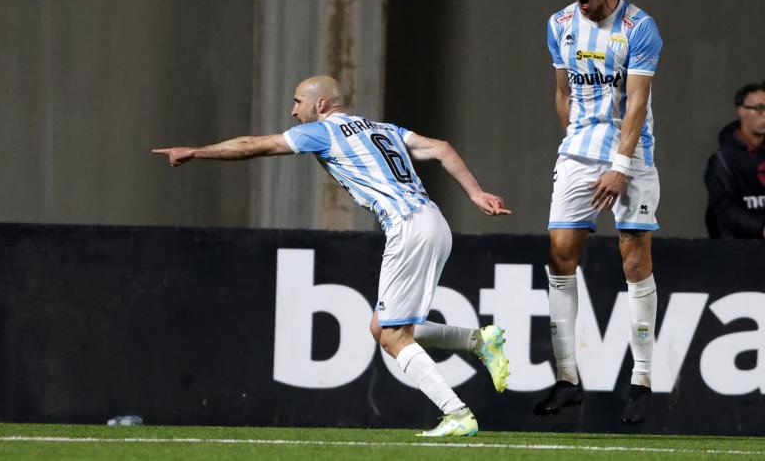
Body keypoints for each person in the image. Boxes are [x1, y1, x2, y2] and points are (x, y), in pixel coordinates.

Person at [152, 75, 511, 436]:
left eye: (297, 103)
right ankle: (477, 341)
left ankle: (457, 413)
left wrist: (197, 152)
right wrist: (475, 193)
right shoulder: (382, 129)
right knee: (383, 327)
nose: (293, 112)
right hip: (433, 221)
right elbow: (442, 147)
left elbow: (252, 145)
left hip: (408, 227)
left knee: (392, 336)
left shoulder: (324, 132)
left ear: (320, 104)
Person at [535, 0, 663, 425]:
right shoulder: (558, 25)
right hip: (578, 153)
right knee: (560, 254)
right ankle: (567, 379)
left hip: (632, 154)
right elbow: (562, 89)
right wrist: (575, 138)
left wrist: (619, 165)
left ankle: (643, 378)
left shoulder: (638, 28)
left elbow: (635, 103)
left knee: (634, 259)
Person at [704, 81, 765, 239]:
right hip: (736, 251)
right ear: (741, 111)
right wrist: (761, 229)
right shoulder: (723, 160)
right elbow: (725, 209)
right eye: (759, 108)